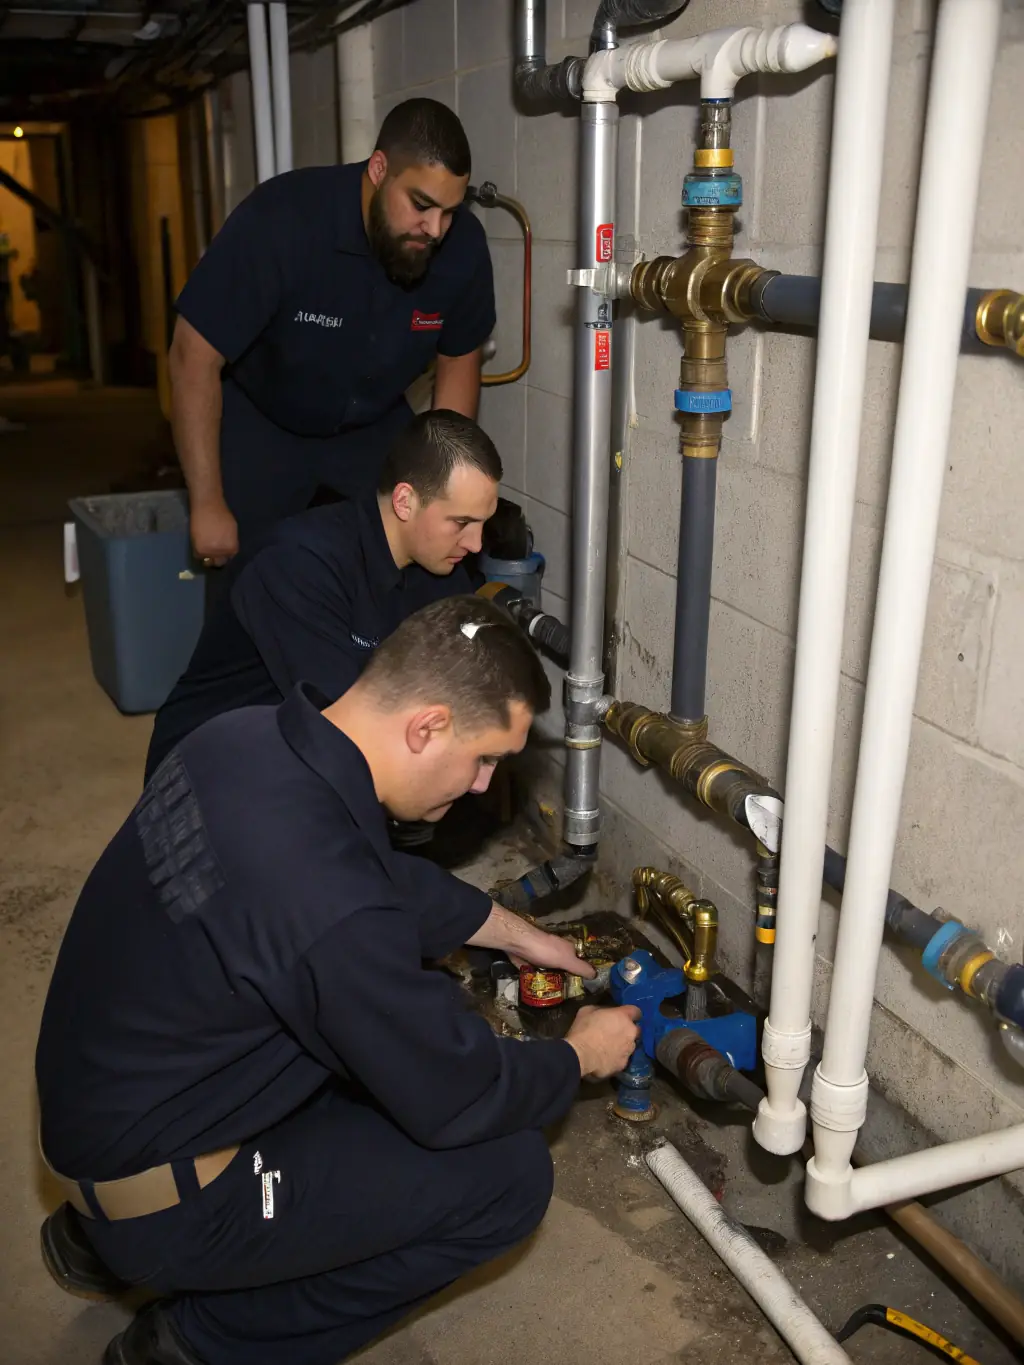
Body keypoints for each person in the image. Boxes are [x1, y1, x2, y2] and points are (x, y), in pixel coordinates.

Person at [36, 595, 641, 1365]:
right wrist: (577, 1055)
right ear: (427, 726)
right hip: (160, 1195)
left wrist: (509, 930)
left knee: (323, 1034)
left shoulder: (244, 737)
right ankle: (198, 1343)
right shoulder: (330, 903)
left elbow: (370, 873)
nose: (487, 784)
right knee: (507, 1174)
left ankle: (90, 1241)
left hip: (99, 1104)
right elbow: (457, 1090)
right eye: (486, 756)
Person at [169, 96, 495, 565]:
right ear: (379, 169)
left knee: (419, 565)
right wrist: (205, 503)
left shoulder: (460, 247)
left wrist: (442, 491)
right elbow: (192, 355)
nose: (435, 228)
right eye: (421, 205)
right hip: (265, 421)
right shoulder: (283, 219)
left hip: (372, 424)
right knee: (244, 589)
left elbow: (460, 360)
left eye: (450, 211)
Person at [144, 408, 500, 782]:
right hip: (207, 771)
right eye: (461, 523)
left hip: (292, 752)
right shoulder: (298, 564)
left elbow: (473, 677)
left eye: (482, 525)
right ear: (405, 502)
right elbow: (348, 728)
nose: (476, 544)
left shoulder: (441, 566)